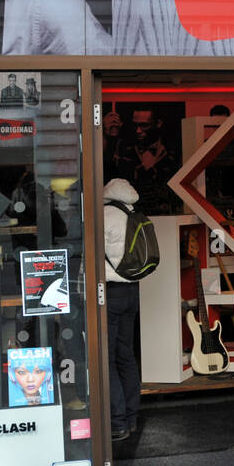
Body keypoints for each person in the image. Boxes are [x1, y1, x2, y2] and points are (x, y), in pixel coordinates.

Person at [103, 177, 148, 442]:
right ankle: (131, 418)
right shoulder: (134, 215)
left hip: (109, 292)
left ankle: (117, 422)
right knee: (126, 356)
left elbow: (91, 252)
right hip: (132, 291)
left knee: (106, 359)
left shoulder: (105, 216)